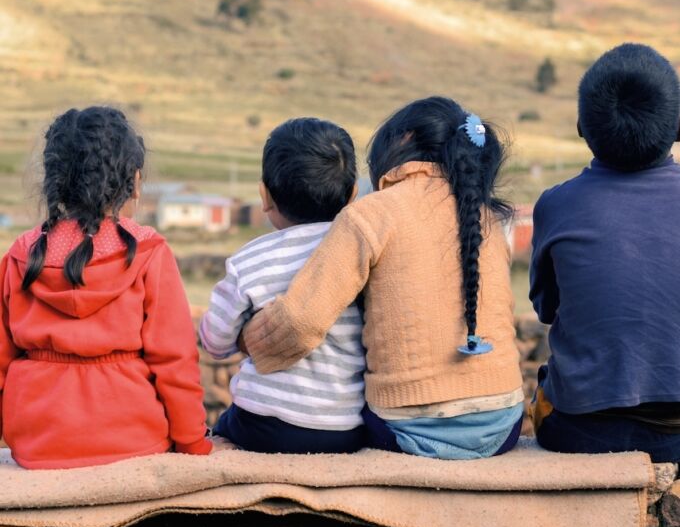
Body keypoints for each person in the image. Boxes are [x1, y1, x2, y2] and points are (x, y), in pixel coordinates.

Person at [243, 97, 524, 459]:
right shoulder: (488, 218)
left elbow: (300, 320)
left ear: (403, 140)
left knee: (334, 417)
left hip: (408, 431)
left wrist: (248, 339)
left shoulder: (370, 215)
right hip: (504, 425)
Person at [0, 106, 211, 469]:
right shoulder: (150, 250)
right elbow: (175, 360)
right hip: (135, 439)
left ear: (54, 179)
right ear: (135, 180)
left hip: (37, 446)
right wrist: (192, 441)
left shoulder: (20, 255)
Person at [529, 43, 680, 462]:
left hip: (579, 432)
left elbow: (547, 309)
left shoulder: (557, 205)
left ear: (581, 126)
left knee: (543, 387)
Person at [200, 118, 366, 453]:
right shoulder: (364, 255)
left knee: (219, 430)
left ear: (264, 195)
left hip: (263, 425)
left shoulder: (250, 259)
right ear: (352, 195)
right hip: (347, 427)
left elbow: (215, 343)